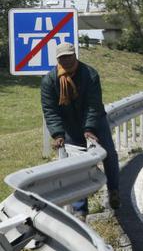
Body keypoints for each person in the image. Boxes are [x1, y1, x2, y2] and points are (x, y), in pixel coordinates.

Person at [40, 42, 121, 220]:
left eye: (69, 56)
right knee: (76, 165)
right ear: (58, 59)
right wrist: (58, 134)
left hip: (96, 122)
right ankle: (80, 210)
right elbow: (50, 111)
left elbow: (93, 105)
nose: (67, 60)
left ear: (75, 55)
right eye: (62, 58)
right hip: (69, 126)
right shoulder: (49, 80)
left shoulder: (89, 74)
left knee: (109, 154)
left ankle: (113, 190)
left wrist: (89, 129)